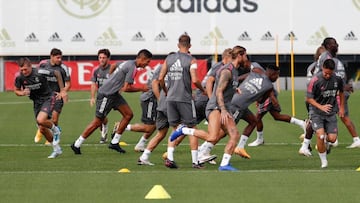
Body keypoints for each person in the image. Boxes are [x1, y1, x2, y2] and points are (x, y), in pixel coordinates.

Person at [70, 49, 152, 155]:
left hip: (114, 95)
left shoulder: (127, 62)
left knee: (128, 114)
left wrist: (111, 78)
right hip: (106, 95)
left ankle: (114, 142)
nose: (147, 64)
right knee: (98, 122)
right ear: (142, 59)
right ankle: (77, 144)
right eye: (147, 61)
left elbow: (113, 65)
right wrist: (142, 88)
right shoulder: (132, 67)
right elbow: (127, 88)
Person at [158, 34, 206, 169]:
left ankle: (170, 158)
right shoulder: (191, 60)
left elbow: (160, 78)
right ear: (190, 46)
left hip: (170, 98)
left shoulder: (169, 58)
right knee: (192, 128)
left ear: (178, 45)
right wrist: (203, 90)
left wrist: (166, 91)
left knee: (176, 129)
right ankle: (195, 161)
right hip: (184, 98)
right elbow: (195, 80)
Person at [14, 57, 67, 158]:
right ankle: (56, 149)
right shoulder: (19, 77)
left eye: (25, 69)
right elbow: (16, 90)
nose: (24, 72)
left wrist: (62, 90)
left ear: (30, 66)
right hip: (36, 102)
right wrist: (22, 93)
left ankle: (56, 130)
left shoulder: (40, 72)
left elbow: (57, 73)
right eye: (21, 70)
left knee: (41, 120)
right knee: (42, 128)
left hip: (48, 98)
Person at [306, 59, 344, 168]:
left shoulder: (338, 79)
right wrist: (321, 107)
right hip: (317, 112)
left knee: (332, 139)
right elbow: (308, 98)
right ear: (322, 68)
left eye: (329, 73)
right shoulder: (315, 80)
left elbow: (341, 92)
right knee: (321, 136)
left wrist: (341, 108)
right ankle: (324, 161)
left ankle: (325, 142)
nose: (327, 75)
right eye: (325, 73)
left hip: (331, 113)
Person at [34, 48, 71, 145]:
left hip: (57, 96)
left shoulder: (63, 68)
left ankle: (52, 135)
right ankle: (41, 130)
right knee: (42, 119)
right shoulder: (43, 64)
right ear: (51, 57)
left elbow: (68, 83)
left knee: (54, 119)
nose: (59, 59)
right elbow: (36, 75)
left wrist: (63, 92)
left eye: (60, 58)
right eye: (57, 57)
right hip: (45, 96)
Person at [123, 64, 161, 152]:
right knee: (149, 127)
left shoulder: (164, 68)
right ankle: (122, 127)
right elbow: (155, 84)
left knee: (154, 125)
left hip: (151, 98)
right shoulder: (163, 68)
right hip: (150, 98)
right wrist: (160, 99)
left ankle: (141, 144)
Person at [90, 48, 112, 144]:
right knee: (101, 117)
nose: (102, 59)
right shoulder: (96, 71)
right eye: (100, 57)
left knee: (100, 117)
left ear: (108, 58)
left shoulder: (112, 70)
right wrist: (92, 97)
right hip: (101, 97)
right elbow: (94, 84)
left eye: (104, 57)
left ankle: (107, 133)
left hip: (111, 96)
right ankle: (105, 130)